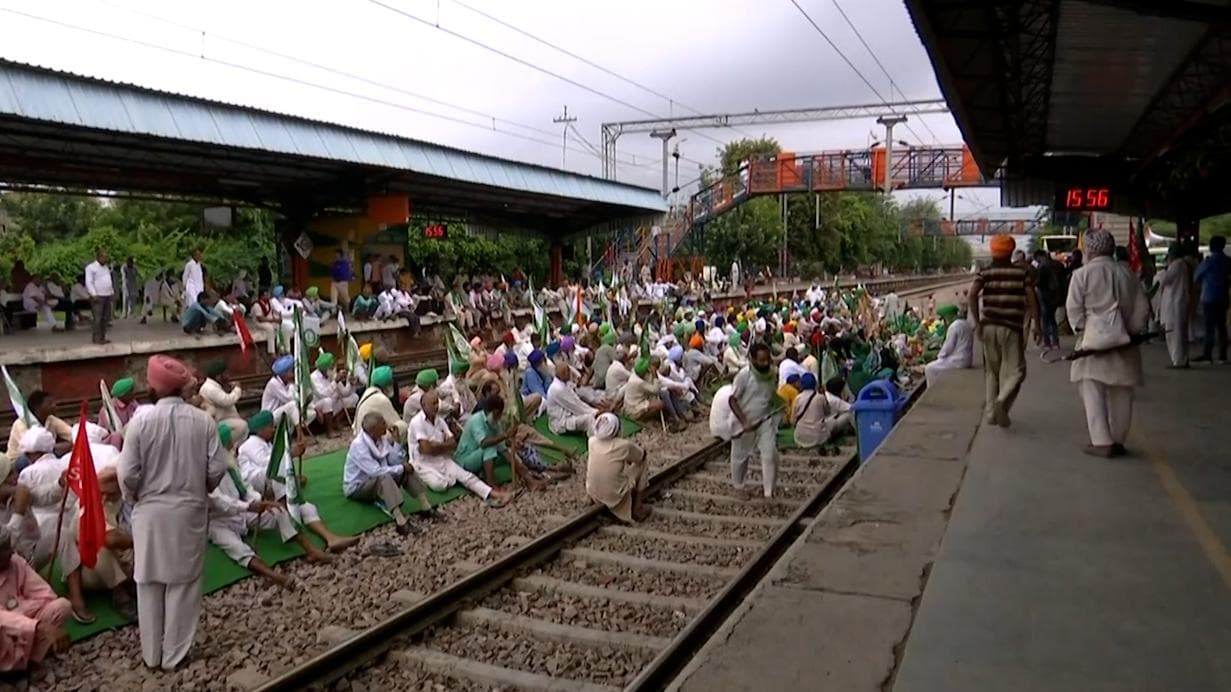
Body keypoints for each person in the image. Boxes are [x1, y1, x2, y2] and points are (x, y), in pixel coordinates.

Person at [118, 355, 228, 671]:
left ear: (153, 388)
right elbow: (217, 468)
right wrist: (199, 487)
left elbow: (127, 473)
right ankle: (174, 657)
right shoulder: (203, 422)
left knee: (148, 583)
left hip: (149, 514)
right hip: (188, 512)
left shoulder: (139, 423)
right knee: (184, 584)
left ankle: (151, 656)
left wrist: (135, 497)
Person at [1066, 229, 1151, 458]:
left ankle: (1102, 441)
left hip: (1092, 345)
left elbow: (1074, 311)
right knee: (1123, 392)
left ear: (1088, 250)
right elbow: (1142, 308)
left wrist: (1088, 332)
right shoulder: (1128, 273)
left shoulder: (1081, 275)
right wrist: (1128, 332)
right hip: (1126, 345)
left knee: (1091, 389)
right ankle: (1118, 441)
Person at [237, 411, 359, 551]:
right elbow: (269, 464)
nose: (273, 430)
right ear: (260, 429)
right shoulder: (250, 444)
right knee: (277, 476)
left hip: (268, 483)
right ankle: (286, 501)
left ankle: (330, 538)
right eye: (270, 427)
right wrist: (290, 453)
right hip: (254, 484)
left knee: (306, 507)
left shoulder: (266, 443)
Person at [969, 234, 1038, 428]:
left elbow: (972, 295)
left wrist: (977, 322)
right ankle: (1002, 400)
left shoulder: (985, 272)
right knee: (1017, 370)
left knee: (991, 372)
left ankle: (991, 414)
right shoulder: (1021, 273)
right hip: (1011, 327)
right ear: (1010, 252)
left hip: (989, 326)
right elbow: (1031, 298)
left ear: (992, 252)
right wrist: (1037, 324)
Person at [409, 391, 512, 507]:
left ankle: (496, 494)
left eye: (437, 403)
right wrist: (440, 446)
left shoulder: (439, 420)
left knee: (467, 476)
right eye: (433, 404)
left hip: (441, 459)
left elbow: (453, 443)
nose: (437, 406)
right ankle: (448, 479)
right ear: (424, 405)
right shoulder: (416, 422)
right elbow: (426, 449)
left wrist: (435, 446)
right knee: (440, 485)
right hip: (423, 464)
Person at [344, 412, 434, 536]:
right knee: (386, 477)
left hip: (377, 480)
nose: (386, 425)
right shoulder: (359, 446)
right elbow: (375, 472)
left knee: (406, 469)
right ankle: (400, 522)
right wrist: (401, 468)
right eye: (383, 424)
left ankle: (426, 507)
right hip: (359, 487)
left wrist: (397, 442)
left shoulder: (380, 439)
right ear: (373, 430)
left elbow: (394, 461)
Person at [0, 525, 72, 671]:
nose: (12, 552)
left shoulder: (15, 561)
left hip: (24, 624)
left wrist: (21, 612)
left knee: (61, 607)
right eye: (6, 549)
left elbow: (45, 594)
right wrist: (37, 626)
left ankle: (30, 661)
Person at [728, 343, 780, 500]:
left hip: (765, 420)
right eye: (761, 360)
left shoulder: (772, 373)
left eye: (767, 359)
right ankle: (739, 487)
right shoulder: (744, 375)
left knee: (770, 454)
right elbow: (732, 400)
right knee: (740, 457)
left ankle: (769, 492)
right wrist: (744, 422)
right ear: (752, 359)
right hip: (744, 422)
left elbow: (771, 395)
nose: (765, 363)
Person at [586, 412, 650, 523]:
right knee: (643, 463)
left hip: (593, 492)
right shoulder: (623, 445)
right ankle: (637, 507)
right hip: (615, 495)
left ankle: (591, 500)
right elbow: (641, 456)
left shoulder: (592, 441)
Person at [5, 390, 72, 470]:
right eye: (49, 403)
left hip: (44, 456)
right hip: (19, 461)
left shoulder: (51, 419)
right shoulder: (21, 423)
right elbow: (32, 448)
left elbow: (71, 433)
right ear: (38, 407)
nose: (54, 405)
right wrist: (62, 446)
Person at [1193, 235, 1230, 364]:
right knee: (1222, 326)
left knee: (1209, 327)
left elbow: (1196, 277)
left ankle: (1207, 355)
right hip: (1223, 297)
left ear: (1211, 246)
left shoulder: (1208, 262)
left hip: (1209, 297)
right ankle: (1222, 356)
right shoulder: (1228, 261)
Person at [792, 373, 852, 450]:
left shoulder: (797, 398)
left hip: (799, 438)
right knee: (840, 418)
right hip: (818, 438)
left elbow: (793, 420)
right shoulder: (820, 397)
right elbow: (827, 413)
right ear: (815, 384)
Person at [1157, 243, 1193, 369]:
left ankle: (1178, 360)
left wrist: (1163, 270)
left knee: (1174, 333)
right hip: (1179, 302)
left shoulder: (1176, 265)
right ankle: (1182, 358)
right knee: (1180, 333)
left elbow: (1164, 280)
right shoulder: (1182, 265)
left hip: (1175, 304)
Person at [924, 304, 975, 386]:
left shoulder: (954, 326)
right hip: (967, 359)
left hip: (958, 361)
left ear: (947, 317)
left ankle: (934, 388)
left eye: (944, 319)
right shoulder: (965, 323)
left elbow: (947, 348)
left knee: (929, 368)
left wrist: (938, 357)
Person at [546, 361, 602, 435]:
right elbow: (576, 406)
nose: (570, 374)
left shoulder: (565, 383)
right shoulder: (558, 389)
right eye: (568, 371)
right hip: (561, 422)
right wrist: (595, 412)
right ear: (562, 374)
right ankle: (596, 440)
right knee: (589, 419)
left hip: (570, 414)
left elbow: (576, 398)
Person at [199, 360, 248, 442]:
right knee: (242, 426)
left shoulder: (214, 386)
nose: (228, 376)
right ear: (218, 376)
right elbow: (227, 401)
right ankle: (226, 446)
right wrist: (237, 388)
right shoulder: (210, 388)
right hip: (218, 422)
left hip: (225, 419)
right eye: (226, 374)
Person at [353, 365, 406, 439]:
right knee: (403, 427)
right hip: (371, 438)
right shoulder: (381, 399)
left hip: (361, 436)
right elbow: (395, 423)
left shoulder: (368, 392)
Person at [262, 355, 315, 427]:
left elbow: (298, 397)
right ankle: (299, 432)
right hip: (270, 416)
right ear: (285, 374)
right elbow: (289, 399)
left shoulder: (286, 383)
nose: (293, 373)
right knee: (292, 405)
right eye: (291, 371)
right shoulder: (274, 383)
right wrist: (291, 386)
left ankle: (297, 429)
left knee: (311, 413)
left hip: (282, 411)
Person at [311, 353, 357, 432]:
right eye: (331, 367)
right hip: (318, 404)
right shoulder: (314, 378)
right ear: (324, 369)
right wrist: (335, 381)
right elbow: (323, 395)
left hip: (332, 403)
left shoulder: (331, 374)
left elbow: (344, 392)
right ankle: (330, 431)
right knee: (327, 401)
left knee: (353, 397)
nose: (333, 369)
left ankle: (336, 422)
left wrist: (350, 383)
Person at [1033, 249, 1064, 350]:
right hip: (1056, 295)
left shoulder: (1042, 266)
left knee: (1045, 319)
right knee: (1052, 318)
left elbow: (1039, 282)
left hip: (1045, 295)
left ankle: (1047, 343)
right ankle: (1055, 342)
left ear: (1039, 256)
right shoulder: (1058, 264)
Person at [98, 377, 139, 444]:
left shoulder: (133, 404)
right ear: (124, 395)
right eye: (131, 392)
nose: (134, 393)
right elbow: (110, 430)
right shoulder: (108, 410)